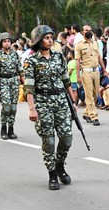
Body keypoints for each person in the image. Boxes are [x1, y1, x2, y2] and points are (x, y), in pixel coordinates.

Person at [23, 25, 76, 190]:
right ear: (39, 41)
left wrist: (72, 101)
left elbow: (66, 80)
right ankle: (52, 173)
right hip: (43, 102)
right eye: (46, 38)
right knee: (49, 141)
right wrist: (32, 108)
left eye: (51, 37)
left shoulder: (59, 57)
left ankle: (60, 164)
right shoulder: (31, 61)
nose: (50, 40)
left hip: (61, 100)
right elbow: (29, 88)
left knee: (67, 137)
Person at [0, 32, 25, 140]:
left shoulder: (15, 54)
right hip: (4, 82)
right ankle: (3, 128)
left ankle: (11, 129)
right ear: (1, 43)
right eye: (5, 41)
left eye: (9, 41)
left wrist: (25, 83)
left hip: (14, 82)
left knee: (13, 107)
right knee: (6, 106)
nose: (7, 43)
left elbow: (20, 70)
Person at [75, 24, 107, 126]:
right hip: (86, 71)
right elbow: (77, 61)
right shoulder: (79, 45)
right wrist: (78, 76)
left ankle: (86, 113)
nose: (88, 31)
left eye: (90, 30)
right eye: (86, 30)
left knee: (95, 94)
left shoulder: (96, 43)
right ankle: (94, 116)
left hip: (96, 71)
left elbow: (99, 57)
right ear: (82, 32)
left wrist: (104, 70)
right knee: (89, 94)